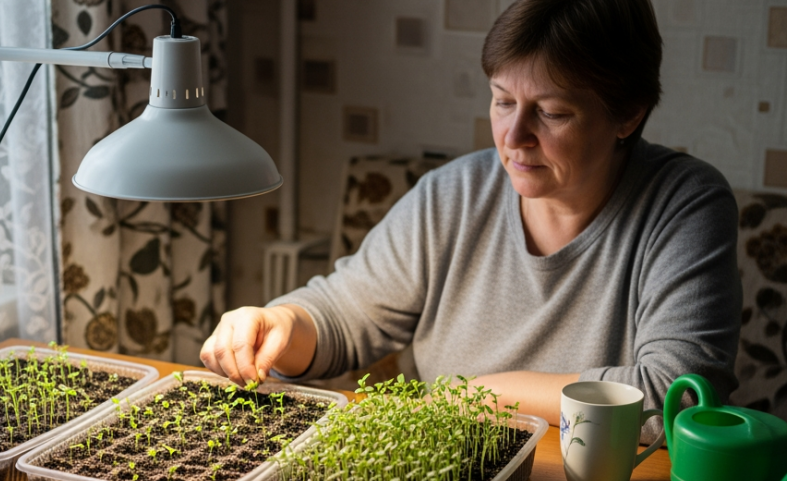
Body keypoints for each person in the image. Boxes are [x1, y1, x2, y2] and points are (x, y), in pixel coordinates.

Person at [200, 0, 740, 439]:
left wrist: (472, 396)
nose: (514, 136)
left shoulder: (685, 204)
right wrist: (281, 324)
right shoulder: (452, 194)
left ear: (628, 114)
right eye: (503, 101)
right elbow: (345, 314)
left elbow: (678, 396)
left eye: (551, 113)